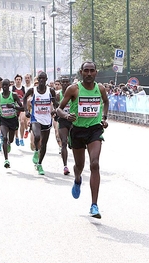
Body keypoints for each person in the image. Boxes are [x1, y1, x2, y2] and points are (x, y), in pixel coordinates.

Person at [56, 61, 109, 219]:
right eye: (86, 71)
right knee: (79, 165)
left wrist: (104, 118)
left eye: (92, 70)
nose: (89, 73)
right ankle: (78, 179)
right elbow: (59, 108)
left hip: (94, 130)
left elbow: (106, 101)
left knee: (95, 164)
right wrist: (66, 116)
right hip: (78, 130)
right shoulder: (74, 89)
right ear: (81, 72)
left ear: (96, 72)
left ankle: (94, 205)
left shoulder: (100, 89)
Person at [23, 71, 57, 175]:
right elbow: (24, 98)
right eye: (40, 78)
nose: (42, 80)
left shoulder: (50, 91)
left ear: (46, 80)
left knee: (44, 144)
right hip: (35, 118)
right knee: (37, 136)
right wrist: (26, 110)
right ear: (38, 80)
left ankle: (39, 164)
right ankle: (36, 151)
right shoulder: (33, 90)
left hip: (46, 119)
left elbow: (55, 103)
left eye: (43, 78)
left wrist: (56, 109)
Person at [0, 79, 24, 168]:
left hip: (13, 120)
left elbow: (22, 108)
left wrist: (13, 106)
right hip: (3, 120)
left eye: (6, 85)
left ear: (9, 86)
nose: (4, 87)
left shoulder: (14, 95)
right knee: (4, 137)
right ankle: (6, 160)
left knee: (10, 140)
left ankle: (9, 143)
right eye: (3, 85)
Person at [55, 77, 72, 175]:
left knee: (72, 143)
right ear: (61, 83)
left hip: (72, 120)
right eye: (63, 82)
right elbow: (56, 107)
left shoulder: (74, 93)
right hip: (62, 120)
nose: (65, 84)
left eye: (67, 82)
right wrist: (55, 111)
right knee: (63, 142)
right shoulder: (58, 95)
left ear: (69, 83)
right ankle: (65, 166)